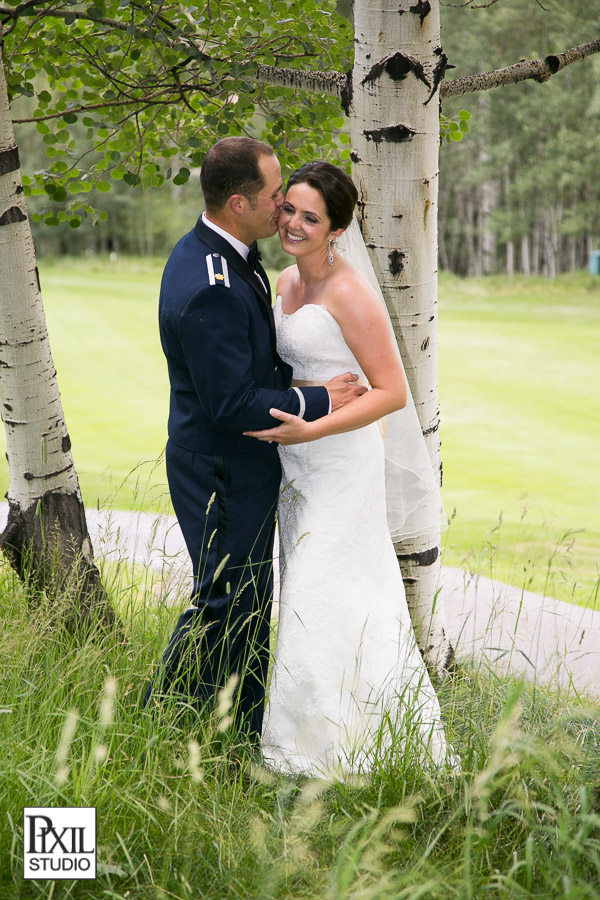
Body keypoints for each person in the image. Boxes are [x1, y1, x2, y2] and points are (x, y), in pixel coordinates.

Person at [144, 139, 365, 743]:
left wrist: (301, 385)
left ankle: (223, 724)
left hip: (230, 460)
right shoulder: (212, 281)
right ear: (238, 202)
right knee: (225, 601)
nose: (283, 209)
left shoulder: (225, 253)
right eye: (274, 197)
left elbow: (251, 364)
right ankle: (178, 720)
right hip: (222, 464)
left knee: (235, 600)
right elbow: (233, 404)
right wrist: (319, 399)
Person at [244, 161, 454, 777]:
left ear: (337, 229)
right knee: (314, 591)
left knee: (318, 586)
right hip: (295, 461)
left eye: (312, 217)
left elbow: (390, 393)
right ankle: (330, 725)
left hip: (340, 457)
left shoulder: (349, 291)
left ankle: (313, 753)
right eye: (289, 210)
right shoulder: (282, 282)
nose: (293, 224)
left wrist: (315, 424)